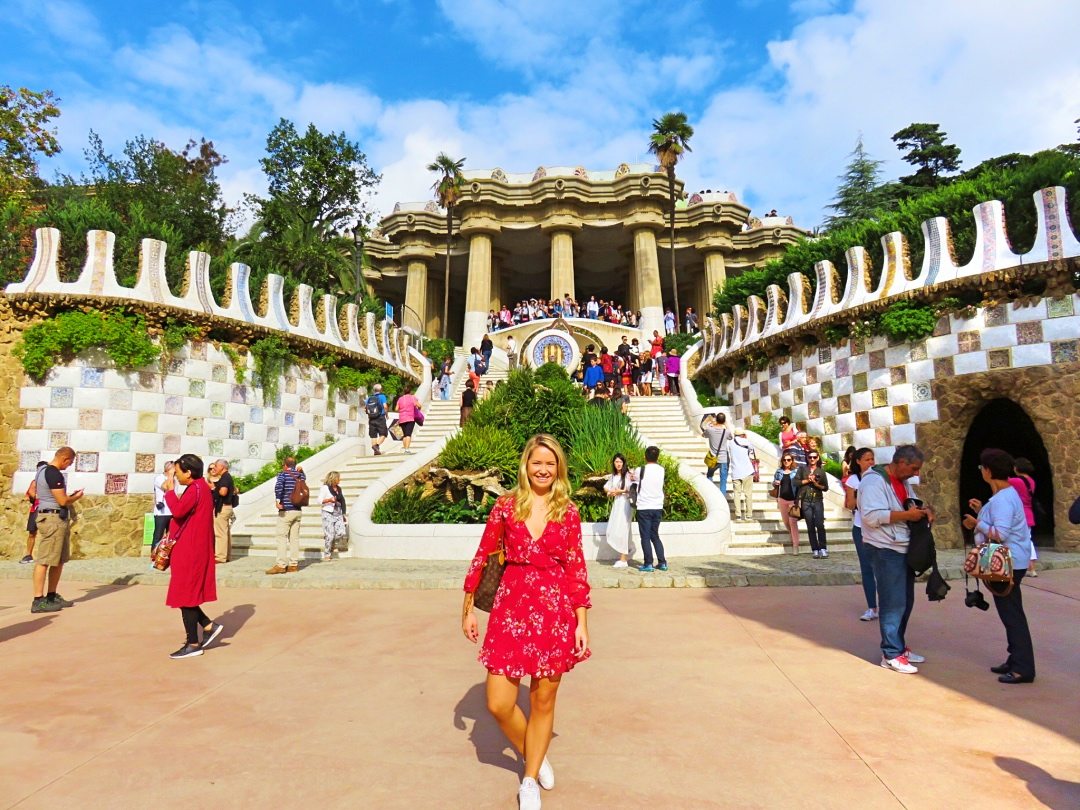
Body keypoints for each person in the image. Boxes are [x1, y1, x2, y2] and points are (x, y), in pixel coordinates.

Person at [461, 434, 591, 810]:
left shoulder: (568, 511)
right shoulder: (505, 507)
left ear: (559, 468)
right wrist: (467, 606)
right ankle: (535, 750)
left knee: (543, 701)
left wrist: (581, 622)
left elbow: (576, 567)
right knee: (499, 702)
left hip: (555, 610)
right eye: (537, 462)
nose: (543, 470)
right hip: (511, 608)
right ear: (526, 465)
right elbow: (483, 553)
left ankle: (529, 777)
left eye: (550, 464)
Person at [963, 448, 1035, 684]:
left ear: (988, 471)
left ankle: (1022, 668)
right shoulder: (1007, 495)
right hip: (1014, 560)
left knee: (1012, 614)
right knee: (1011, 612)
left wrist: (977, 523)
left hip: (1008, 562)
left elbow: (1000, 534)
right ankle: (1015, 659)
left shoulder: (1003, 499)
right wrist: (981, 511)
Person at [859, 445, 932, 674]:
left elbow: (909, 503)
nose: (916, 473)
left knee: (905, 601)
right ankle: (890, 653)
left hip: (901, 546)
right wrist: (907, 516)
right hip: (884, 548)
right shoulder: (873, 482)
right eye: (913, 468)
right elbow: (870, 517)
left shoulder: (902, 481)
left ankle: (898, 646)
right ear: (900, 462)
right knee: (893, 603)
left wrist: (922, 511)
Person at [160, 453, 222, 659]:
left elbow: (178, 511)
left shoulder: (195, 489)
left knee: (185, 596)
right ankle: (208, 625)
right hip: (192, 547)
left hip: (191, 549)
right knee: (187, 594)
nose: (176, 477)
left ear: (188, 472)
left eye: (178, 472)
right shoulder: (199, 488)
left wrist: (169, 492)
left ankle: (193, 643)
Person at [29, 447, 84, 614]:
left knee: (58, 560)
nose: (69, 466)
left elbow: (36, 493)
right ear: (65, 459)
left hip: (53, 517)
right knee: (45, 560)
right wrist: (76, 497)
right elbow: (62, 500)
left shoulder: (42, 470)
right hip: (52, 519)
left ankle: (51, 595)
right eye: (70, 462)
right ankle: (38, 600)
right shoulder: (53, 473)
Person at [844, 448, 878, 621]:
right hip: (860, 527)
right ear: (858, 461)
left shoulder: (879, 478)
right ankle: (872, 607)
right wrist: (864, 496)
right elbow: (849, 504)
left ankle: (887, 605)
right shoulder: (853, 480)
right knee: (867, 567)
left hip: (878, 528)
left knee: (882, 567)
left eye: (872, 459)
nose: (871, 462)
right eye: (867, 459)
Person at [268, 458, 306, 575]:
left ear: (285, 465)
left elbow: (279, 487)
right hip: (297, 510)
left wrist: (278, 501)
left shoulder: (283, 474)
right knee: (294, 538)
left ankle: (281, 564)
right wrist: (302, 471)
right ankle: (293, 564)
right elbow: (304, 479)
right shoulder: (300, 475)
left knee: (281, 537)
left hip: (286, 510)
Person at [635, 446, 667, 573]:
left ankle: (648, 563)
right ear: (657, 457)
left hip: (644, 507)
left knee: (645, 537)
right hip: (657, 506)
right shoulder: (661, 470)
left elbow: (633, 479)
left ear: (645, 456)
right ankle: (662, 562)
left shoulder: (640, 470)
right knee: (655, 535)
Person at [603, 454, 635, 568]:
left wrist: (619, 492)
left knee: (623, 529)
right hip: (617, 504)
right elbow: (606, 486)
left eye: (620, 462)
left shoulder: (628, 475)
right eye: (616, 462)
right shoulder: (614, 475)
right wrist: (610, 491)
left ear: (623, 463)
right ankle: (628, 550)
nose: (618, 464)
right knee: (615, 528)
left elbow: (630, 489)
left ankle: (623, 559)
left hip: (625, 504)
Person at [1009, 457, 1039, 577]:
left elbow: (999, 480)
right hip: (1029, 513)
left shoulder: (1015, 481)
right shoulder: (1031, 481)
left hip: (1019, 515)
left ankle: (1030, 567)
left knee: (1022, 540)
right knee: (1028, 539)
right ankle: (1031, 567)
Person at [797, 449, 829, 558]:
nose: (812, 459)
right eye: (810, 457)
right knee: (810, 525)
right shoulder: (802, 470)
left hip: (817, 500)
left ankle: (823, 548)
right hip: (806, 500)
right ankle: (814, 549)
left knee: (820, 524)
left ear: (818, 458)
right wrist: (807, 480)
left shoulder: (821, 471)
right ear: (807, 458)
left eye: (814, 457)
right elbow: (796, 482)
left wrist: (815, 483)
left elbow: (825, 488)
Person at [209, 458, 237, 564]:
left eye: (216, 466)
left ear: (222, 467)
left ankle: (220, 557)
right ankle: (226, 555)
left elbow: (223, 492)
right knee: (225, 533)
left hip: (223, 507)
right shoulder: (227, 477)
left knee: (220, 533)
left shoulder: (225, 478)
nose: (214, 468)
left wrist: (213, 488)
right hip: (226, 507)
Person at [773, 452, 801, 554]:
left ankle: (795, 546)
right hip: (782, 499)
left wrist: (798, 500)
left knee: (793, 522)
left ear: (792, 461)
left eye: (789, 460)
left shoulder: (796, 472)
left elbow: (799, 485)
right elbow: (774, 482)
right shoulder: (779, 472)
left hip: (792, 500)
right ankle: (793, 535)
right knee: (786, 522)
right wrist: (775, 483)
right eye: (784, 460)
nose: (786, 462)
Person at [20, 461, 47, 564]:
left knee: (48, 533)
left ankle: (46, 555)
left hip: (47, 508)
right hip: (36, 508)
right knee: (32, 532)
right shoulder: (35, 482)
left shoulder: (50, 481)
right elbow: (32, 493)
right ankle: (28, 554)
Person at [701, 413, 733, 494]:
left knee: (709, 475)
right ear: (724, 421)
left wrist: (712, 425)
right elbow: (731, 437)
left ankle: (711, 493)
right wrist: (726, 424)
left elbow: (703, 435)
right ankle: (723, 499)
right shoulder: (726, 431)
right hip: (723, 459)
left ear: (717, 420)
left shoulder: (710, 430)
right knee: (723, 480)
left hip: (712, 457)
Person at [729, 431, 757, 521]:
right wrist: (745, 438)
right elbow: (752, 450)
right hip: (747, 471)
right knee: (748, 494)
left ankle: (738, 515)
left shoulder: (730, 443)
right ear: (743, 434)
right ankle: (749, 515)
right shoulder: (746, 442)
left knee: (737, 494)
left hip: (736, 472)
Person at [320, 471, 347, 561]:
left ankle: (330, 542)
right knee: (330, 536)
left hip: (338, 513)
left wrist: (343, 513)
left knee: (341, 533)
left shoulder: (339, 488)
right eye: (338, 478)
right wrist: (329, 500)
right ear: (334, 478)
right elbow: (319, 500)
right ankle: (327, 554)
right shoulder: (325, 488)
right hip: (328, 513)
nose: (340, 479)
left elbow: (342, 500)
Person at [151, 461, 174, 557]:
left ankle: (168, 555)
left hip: (171, 511)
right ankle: (154, 555)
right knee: (158, 535)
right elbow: (166, 487)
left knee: (171, 535)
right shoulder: (159, 478)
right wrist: (170, 476)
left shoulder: (174, 479)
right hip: (161, 512)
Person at [396, 384, 421, 455]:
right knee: (408, 435)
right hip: (410, 418)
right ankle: (407, 450)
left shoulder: (400, 399)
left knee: (404, 435)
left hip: (402, 419)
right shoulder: (412, 397)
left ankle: (405, 449)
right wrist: (417, 410)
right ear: (410, 391)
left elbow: (396, 408)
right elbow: (419, 405)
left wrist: (403, 410)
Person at [366, 383, 389, 456]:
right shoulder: (382, 396)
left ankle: (376, 451)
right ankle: (376, 446)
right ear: (381, 389)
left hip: (371, 418)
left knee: (373, 435)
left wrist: (370, 416)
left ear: (374, 390)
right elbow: (385, 407)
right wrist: (387, 415)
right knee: (384, 433)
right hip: (380, 417)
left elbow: (365, 409)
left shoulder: (369, 398)